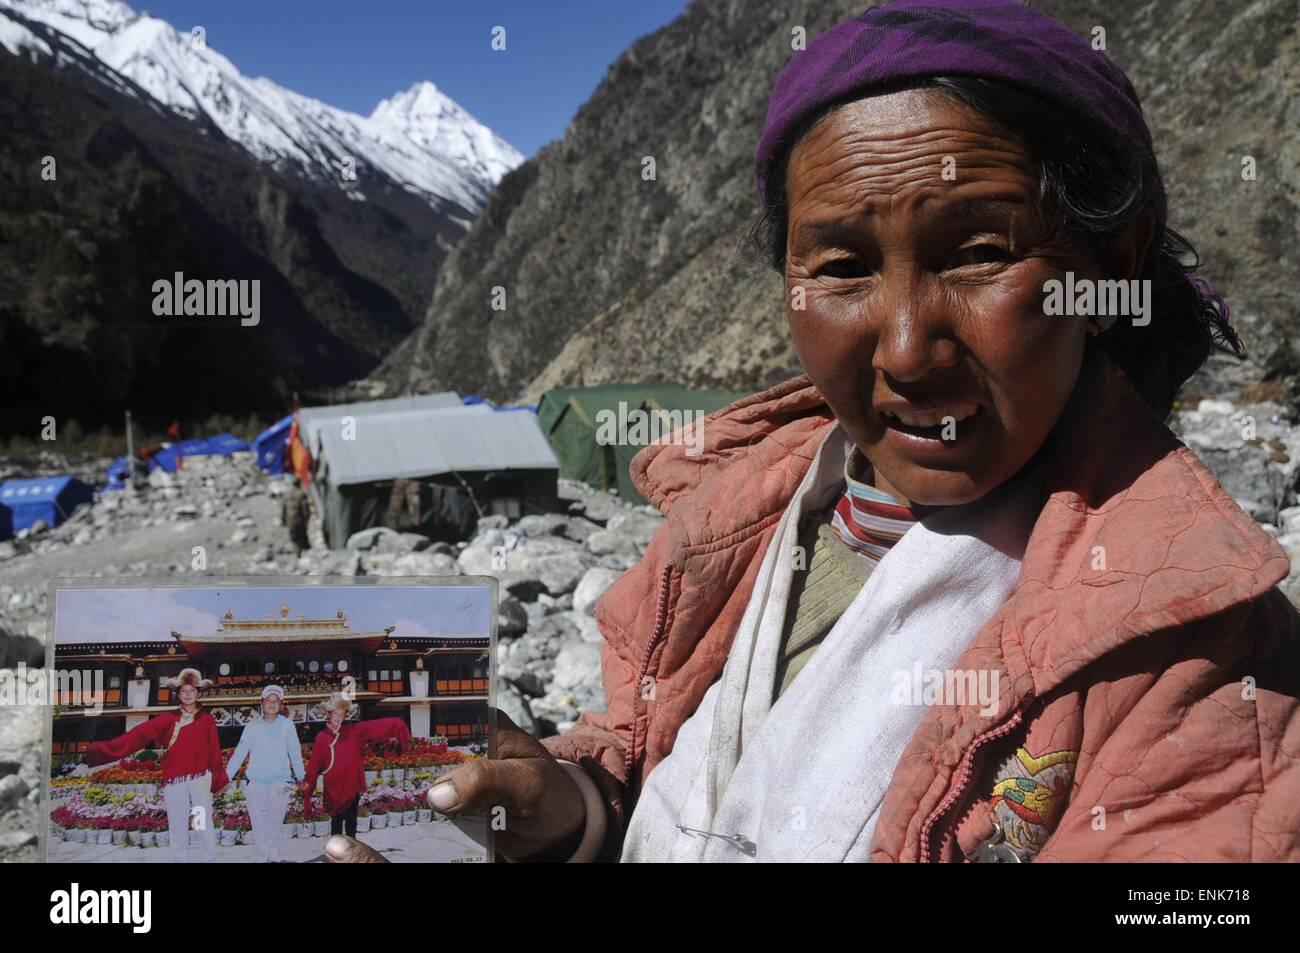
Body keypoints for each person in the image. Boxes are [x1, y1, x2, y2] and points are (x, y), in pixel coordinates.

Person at [327, 0, 1300, 865]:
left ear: (1108, 268)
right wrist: (576, 804)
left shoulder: (1195, 668)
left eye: (979, 253)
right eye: (840, 267)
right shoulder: (744, 512)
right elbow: (653, 743)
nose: (909, 350)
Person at [85, 668, 227, 863]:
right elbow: (137, 736)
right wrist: (99, 750)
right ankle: (180, 859)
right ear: (177, 694)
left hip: (200, 780)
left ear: (199, 693)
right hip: (175, 782)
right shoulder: (167, 719)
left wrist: (217, 779)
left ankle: (208, 859)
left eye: (192, 690)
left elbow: (214, 751)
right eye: (183, 691)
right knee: (177, 823)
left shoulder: (207, 720)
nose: (187, 695)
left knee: (202, 822)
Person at [300, 694, 411, 838]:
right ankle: (337, 852)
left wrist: (397, 724)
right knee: (336, 823)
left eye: (341, 713)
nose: (338, 717)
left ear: (345, 714)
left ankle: (351, 851)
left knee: (351, 822)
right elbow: (313, 767)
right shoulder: (321, 737)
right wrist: (308, 791)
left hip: (352, 785)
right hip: (334, 787)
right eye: (335, 713)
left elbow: (375, 727)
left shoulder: (354, 731)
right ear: (328, 713)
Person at [224, 684, 305, 862]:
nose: (272, 704)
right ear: (262, 703)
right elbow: (239, 753)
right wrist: (225, 777)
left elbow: (295, 753)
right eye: (268, 701)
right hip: (256, 783)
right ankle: (261, 857)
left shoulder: (287, 726)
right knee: (259, 824)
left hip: (281, 783)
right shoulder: (252, 726)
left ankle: (274, 856)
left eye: (276, 701)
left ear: (281, 705)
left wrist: (301, 777)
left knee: (275, 822)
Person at [281, 484, 310, 555]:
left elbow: (283, 509)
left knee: (294, 538)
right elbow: (305, 509)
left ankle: (298, 553)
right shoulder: (301, 494)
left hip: (290, 519)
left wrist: (283, 520)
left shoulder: (287, 494)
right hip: (299, 519)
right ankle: (306, 552)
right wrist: (306, 519)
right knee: (302, 535)